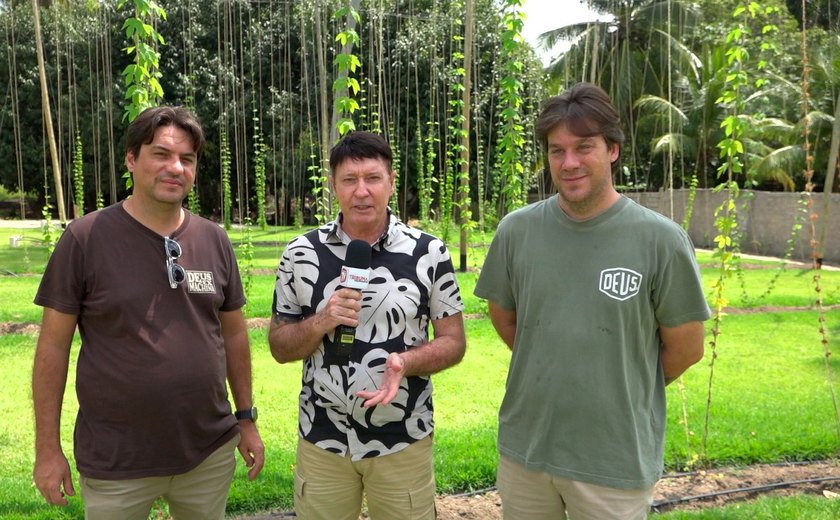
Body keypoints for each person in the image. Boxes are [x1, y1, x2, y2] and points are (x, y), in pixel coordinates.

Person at [474, 82, 711, 519]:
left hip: (613, 460)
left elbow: (687, 349)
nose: (569, 163)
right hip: (526, 452)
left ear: (613, 150)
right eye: (556, 150)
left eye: (584, 147)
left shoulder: (660, 240)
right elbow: (507, 321)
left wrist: (618, 382)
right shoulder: (516, 231)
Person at [32, 106, 264, 519]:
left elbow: (233, 337)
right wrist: (47, 449)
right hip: (117, 461)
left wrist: (245, 419)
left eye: (187, 159)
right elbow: (52, 348)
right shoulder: (85, 239)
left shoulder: (214, 240)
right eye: (161, 154)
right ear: (132, 159)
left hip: (207, 454)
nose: (175, 167)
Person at [268, 131, 466, 520]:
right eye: (349, 180)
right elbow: (279, 346)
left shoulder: (429, 252)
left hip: (402, 436)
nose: (362, 191)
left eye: (373, 178)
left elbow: (454, 342)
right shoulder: (301, 253)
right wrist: (323, 320)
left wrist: (405, 363)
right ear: (333, 186)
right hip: (322, 437)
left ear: (391, 183)